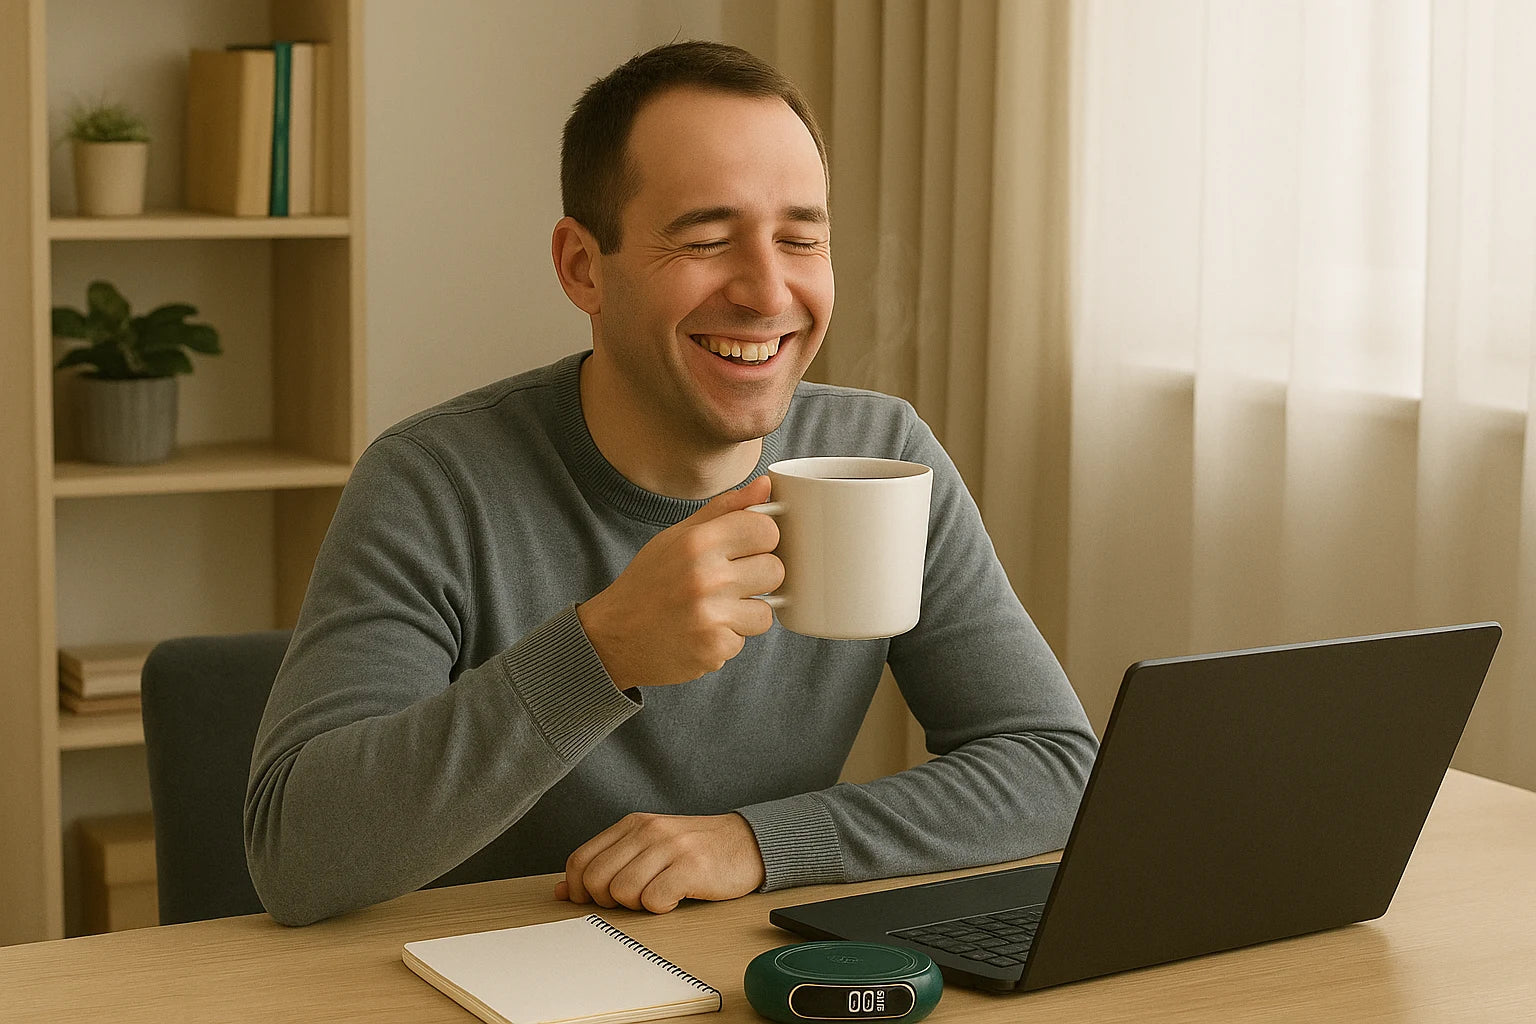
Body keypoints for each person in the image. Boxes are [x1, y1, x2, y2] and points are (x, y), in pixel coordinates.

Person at [245, 40, 1097, 927]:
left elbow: (1052, 767)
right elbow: (296, 856)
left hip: (751, 973)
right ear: (583, 266)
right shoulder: (434, 483)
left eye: (801, 238)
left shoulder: (878, 452)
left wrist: (758, 843)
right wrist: (599, 653)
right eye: (706, 240)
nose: (769, 292)